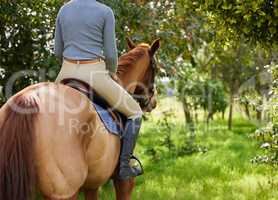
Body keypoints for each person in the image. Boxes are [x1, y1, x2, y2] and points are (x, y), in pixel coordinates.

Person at [54, 0, 143, 181]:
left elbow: (57, 51)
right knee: (135, 112)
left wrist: (70, 66)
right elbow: (110, 54)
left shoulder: (64, 10)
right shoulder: (105, 11)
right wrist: (111, 73)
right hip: (93, 73)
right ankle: (124, 167)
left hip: (65, 73)